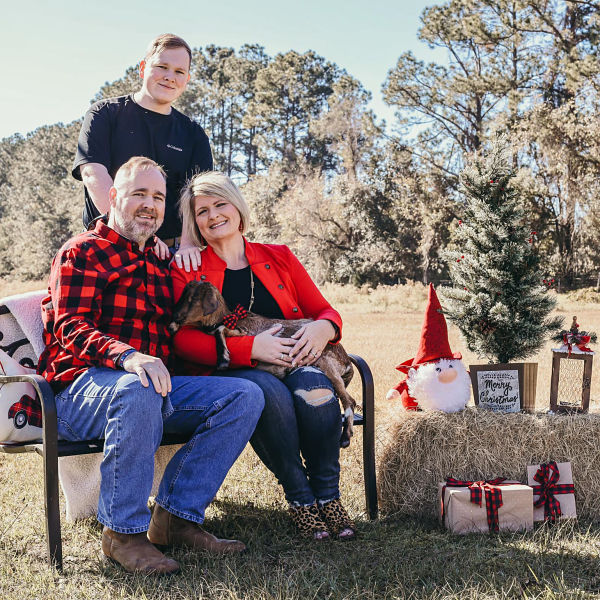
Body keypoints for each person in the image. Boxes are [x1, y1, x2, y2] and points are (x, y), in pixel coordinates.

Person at [37, 157, 264, 575]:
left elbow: (179, 329)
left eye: (157, 197)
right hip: (79, 390)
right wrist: (128, 356)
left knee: (245, 394)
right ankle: (122, 534)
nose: (149, 204)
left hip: (150, 387)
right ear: (112, 196)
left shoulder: (161, 263)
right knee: (137, 384)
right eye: (139, 193)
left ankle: (175, 518)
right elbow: (69, 324)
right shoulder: (82, 252)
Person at [170, 172, 356, 541]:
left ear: (237, 208)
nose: (213, 215)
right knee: (266, 393)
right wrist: (249, 349)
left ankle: (329, 497)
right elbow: (181, 341)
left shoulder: (279, 257)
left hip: (298, 358)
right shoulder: (187, 267)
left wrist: (324, 329)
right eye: (202, 211)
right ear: (195, 223)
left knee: (314, 390)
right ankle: (301, 500)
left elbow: (325, 311)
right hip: (234, 371)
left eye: (220, 204)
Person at [72, 33, 209, 270]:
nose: (170, 77)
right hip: (108, 248)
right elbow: (93, 173)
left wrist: (188, 244)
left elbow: (198, 195)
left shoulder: (193, 133)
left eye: (179, 71)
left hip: (173, 254)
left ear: (187, 78)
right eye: (162, 67)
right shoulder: (105, 114)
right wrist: (133, 236)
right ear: (143, 68)